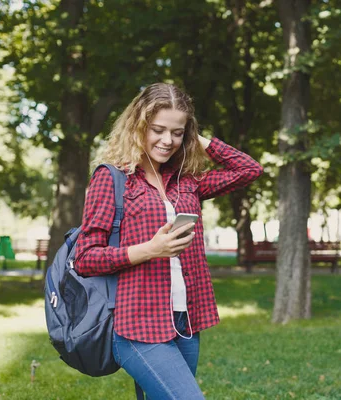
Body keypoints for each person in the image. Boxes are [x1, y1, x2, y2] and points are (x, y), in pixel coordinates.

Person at [74, 82, 263, 399]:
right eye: (158, 129)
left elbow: (249, 169)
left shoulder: (187, 181)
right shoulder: (112, 178)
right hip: (137, 325)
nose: (168, 141)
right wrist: (150, 250)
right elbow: (85, 258)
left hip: (186, 321)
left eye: (177, 132)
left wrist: (194, 137)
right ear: (138, 126)